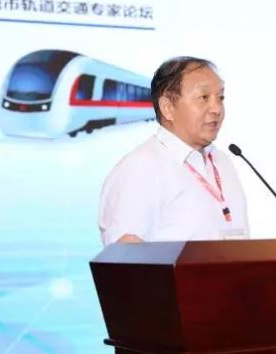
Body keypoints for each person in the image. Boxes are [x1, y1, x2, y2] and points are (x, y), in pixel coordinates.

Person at [98, 56, 249, 245]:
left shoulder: (222, 162)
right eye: (204, 97)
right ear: (167, 108)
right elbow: (125, 256)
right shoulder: (139, 169)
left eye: (220, 97)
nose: (217, 108)